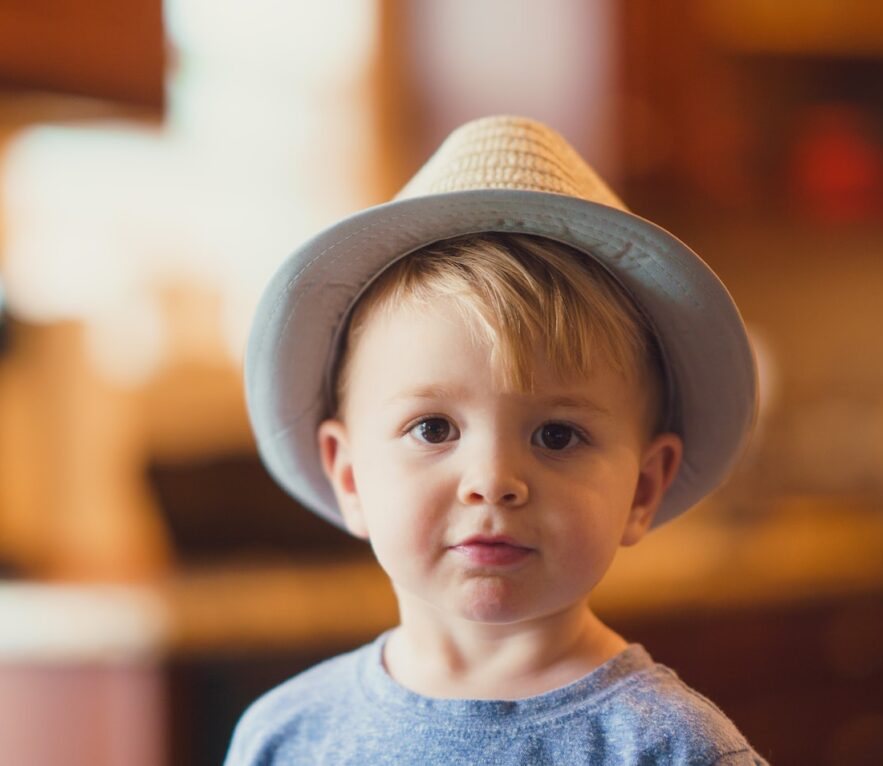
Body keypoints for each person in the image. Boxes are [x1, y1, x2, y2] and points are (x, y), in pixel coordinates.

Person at [226, 115, 767, 764]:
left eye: (557, 435)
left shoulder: (671, 747)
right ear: (349, 477)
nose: (493, 479)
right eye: (433, 428)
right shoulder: (287, 737)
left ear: (643, 487)